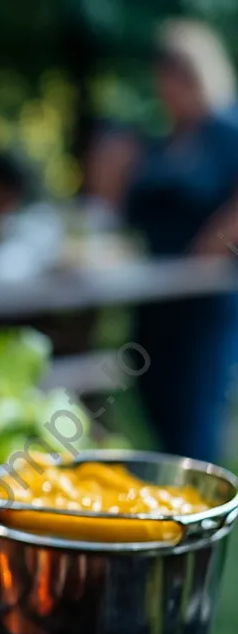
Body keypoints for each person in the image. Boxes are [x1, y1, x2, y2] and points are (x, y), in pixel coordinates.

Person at [123, 20, 238, 463]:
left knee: (195, 419)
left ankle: (202, 518)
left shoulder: (226, 132)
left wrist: (213, 244)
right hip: (154, 297)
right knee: (156, 410)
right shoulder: (160, 140)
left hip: (203, 302)